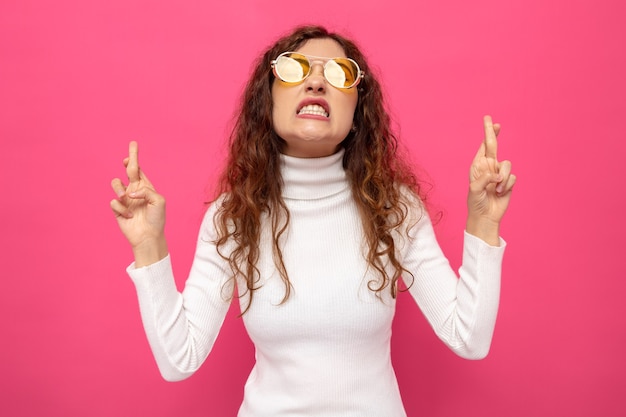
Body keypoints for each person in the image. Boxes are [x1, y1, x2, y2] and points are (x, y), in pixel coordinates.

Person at [110, 25, 515, 416]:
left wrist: (483, 221)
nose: (317, 82)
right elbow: (179, 359)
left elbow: (469, 337)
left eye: (339, 74)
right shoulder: (233, 217)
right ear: (267, 101)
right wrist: (148, 245)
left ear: (357, 113)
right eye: (295, 68)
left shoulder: (395, 209)